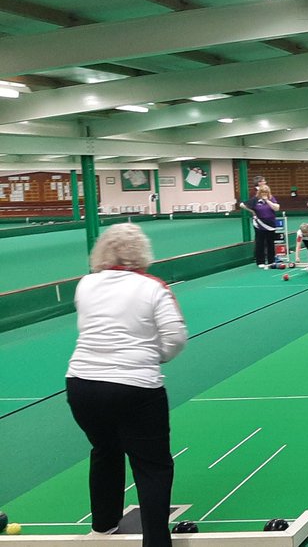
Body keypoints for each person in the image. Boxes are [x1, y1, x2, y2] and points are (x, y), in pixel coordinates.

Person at [66, 224, 187, 546]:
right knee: (152, 466)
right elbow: (175, 337)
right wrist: (154, 356)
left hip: (81, 384)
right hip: (136, 387)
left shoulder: (86, 283)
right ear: (142, 254)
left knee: (104, 448)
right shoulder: (153, 286)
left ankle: (104, 524)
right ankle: (157, 541)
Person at [240, 181, 280, 268]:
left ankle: (271, 261)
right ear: (259, 192)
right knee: (260, 243)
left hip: (270, 224)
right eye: (262, 192)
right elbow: (242, 205)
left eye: (266, 192)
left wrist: (267, 200)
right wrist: (253, 211)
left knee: (270, 243)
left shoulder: (271, 198)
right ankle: (260, 261)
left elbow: (276, 208)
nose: (264, 194)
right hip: (259, 224)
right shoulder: (255, 200)